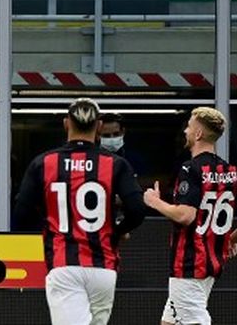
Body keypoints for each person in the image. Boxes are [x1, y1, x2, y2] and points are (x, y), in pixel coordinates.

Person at [14, 97, 147, 325]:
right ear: (99, 127)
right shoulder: (116, 164)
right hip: (103, 266)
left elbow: (21, 213)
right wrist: (116, 230)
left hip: (63, 263)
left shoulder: (44, 162)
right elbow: (137, 210)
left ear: (67, 123)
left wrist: (51, 225)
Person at [144, 106, 237, 325]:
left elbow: (185, 216)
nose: (186, 131)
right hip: (211, 262)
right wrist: (232, 239)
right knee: (169, 321)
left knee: (194, 320)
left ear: (198, 134)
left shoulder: (190, 169)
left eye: (189, 126)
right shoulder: (230, 171)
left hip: (189, 264)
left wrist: (155, 202)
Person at [98, 112, 148, 179]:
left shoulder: (135, 159)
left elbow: (146, 180)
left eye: (116, 134)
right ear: (98, 135)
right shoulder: (94, 159)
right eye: (106, 135)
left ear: (123, 131)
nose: (111, 139)